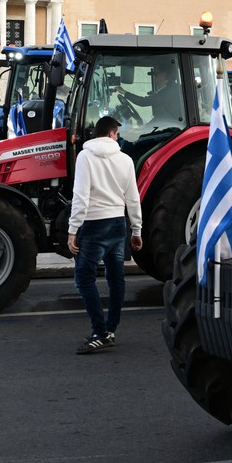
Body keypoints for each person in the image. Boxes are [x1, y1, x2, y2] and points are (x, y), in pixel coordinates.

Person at [66, 116, 143, 354]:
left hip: (94, 224)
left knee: (84, 278)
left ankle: (99, 332)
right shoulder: (125, 159)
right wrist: (136, 229)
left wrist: (72, 229)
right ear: (111, 134)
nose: (118, 138)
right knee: (116, 278)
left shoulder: (85, 156)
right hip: (118, 224)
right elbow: (133, 197)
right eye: (117, 134)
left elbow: (81, 196)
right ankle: (110, 329)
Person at [118, 64, 182, 125]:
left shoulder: (169, 91)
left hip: (169, 126)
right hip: (165, 124)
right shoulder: (173, 89)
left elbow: (143, 102)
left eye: (157, 74)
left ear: (163, 74)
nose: (155, 78)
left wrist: (124, 92)